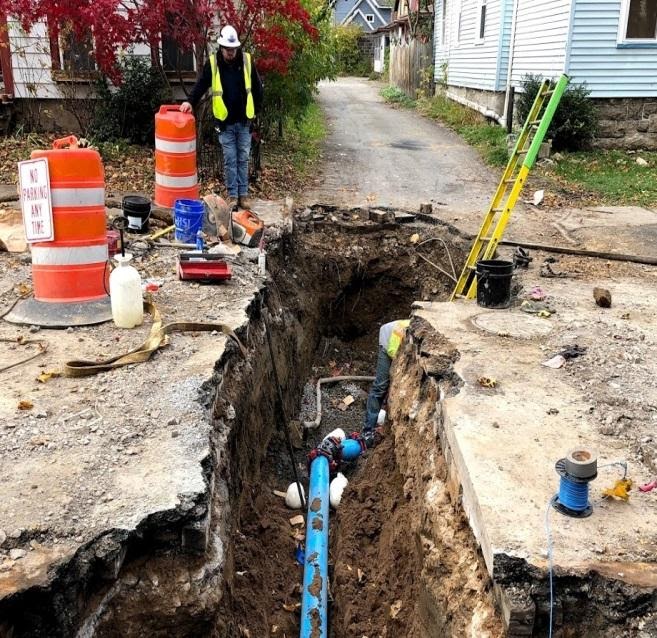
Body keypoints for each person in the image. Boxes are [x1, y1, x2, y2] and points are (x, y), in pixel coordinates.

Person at [181, 25, 263, 210]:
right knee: (230, 159)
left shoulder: (246, 61)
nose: (230, 53)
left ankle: (243, 194)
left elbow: (258, 89)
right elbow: (202, 84)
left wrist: (255, 112)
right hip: (225, 122)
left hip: (243, 120)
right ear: (221, 47)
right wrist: (189, 102)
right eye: (227, 50)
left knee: (243, 158)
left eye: (233, 49)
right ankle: (232, 195)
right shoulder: (214, 63)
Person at [363, 319, 410, 434]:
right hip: (388, 339)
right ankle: (368, 430)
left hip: (397, 342)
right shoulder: (406, 334)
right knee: (381, 386)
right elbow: (393, 353)